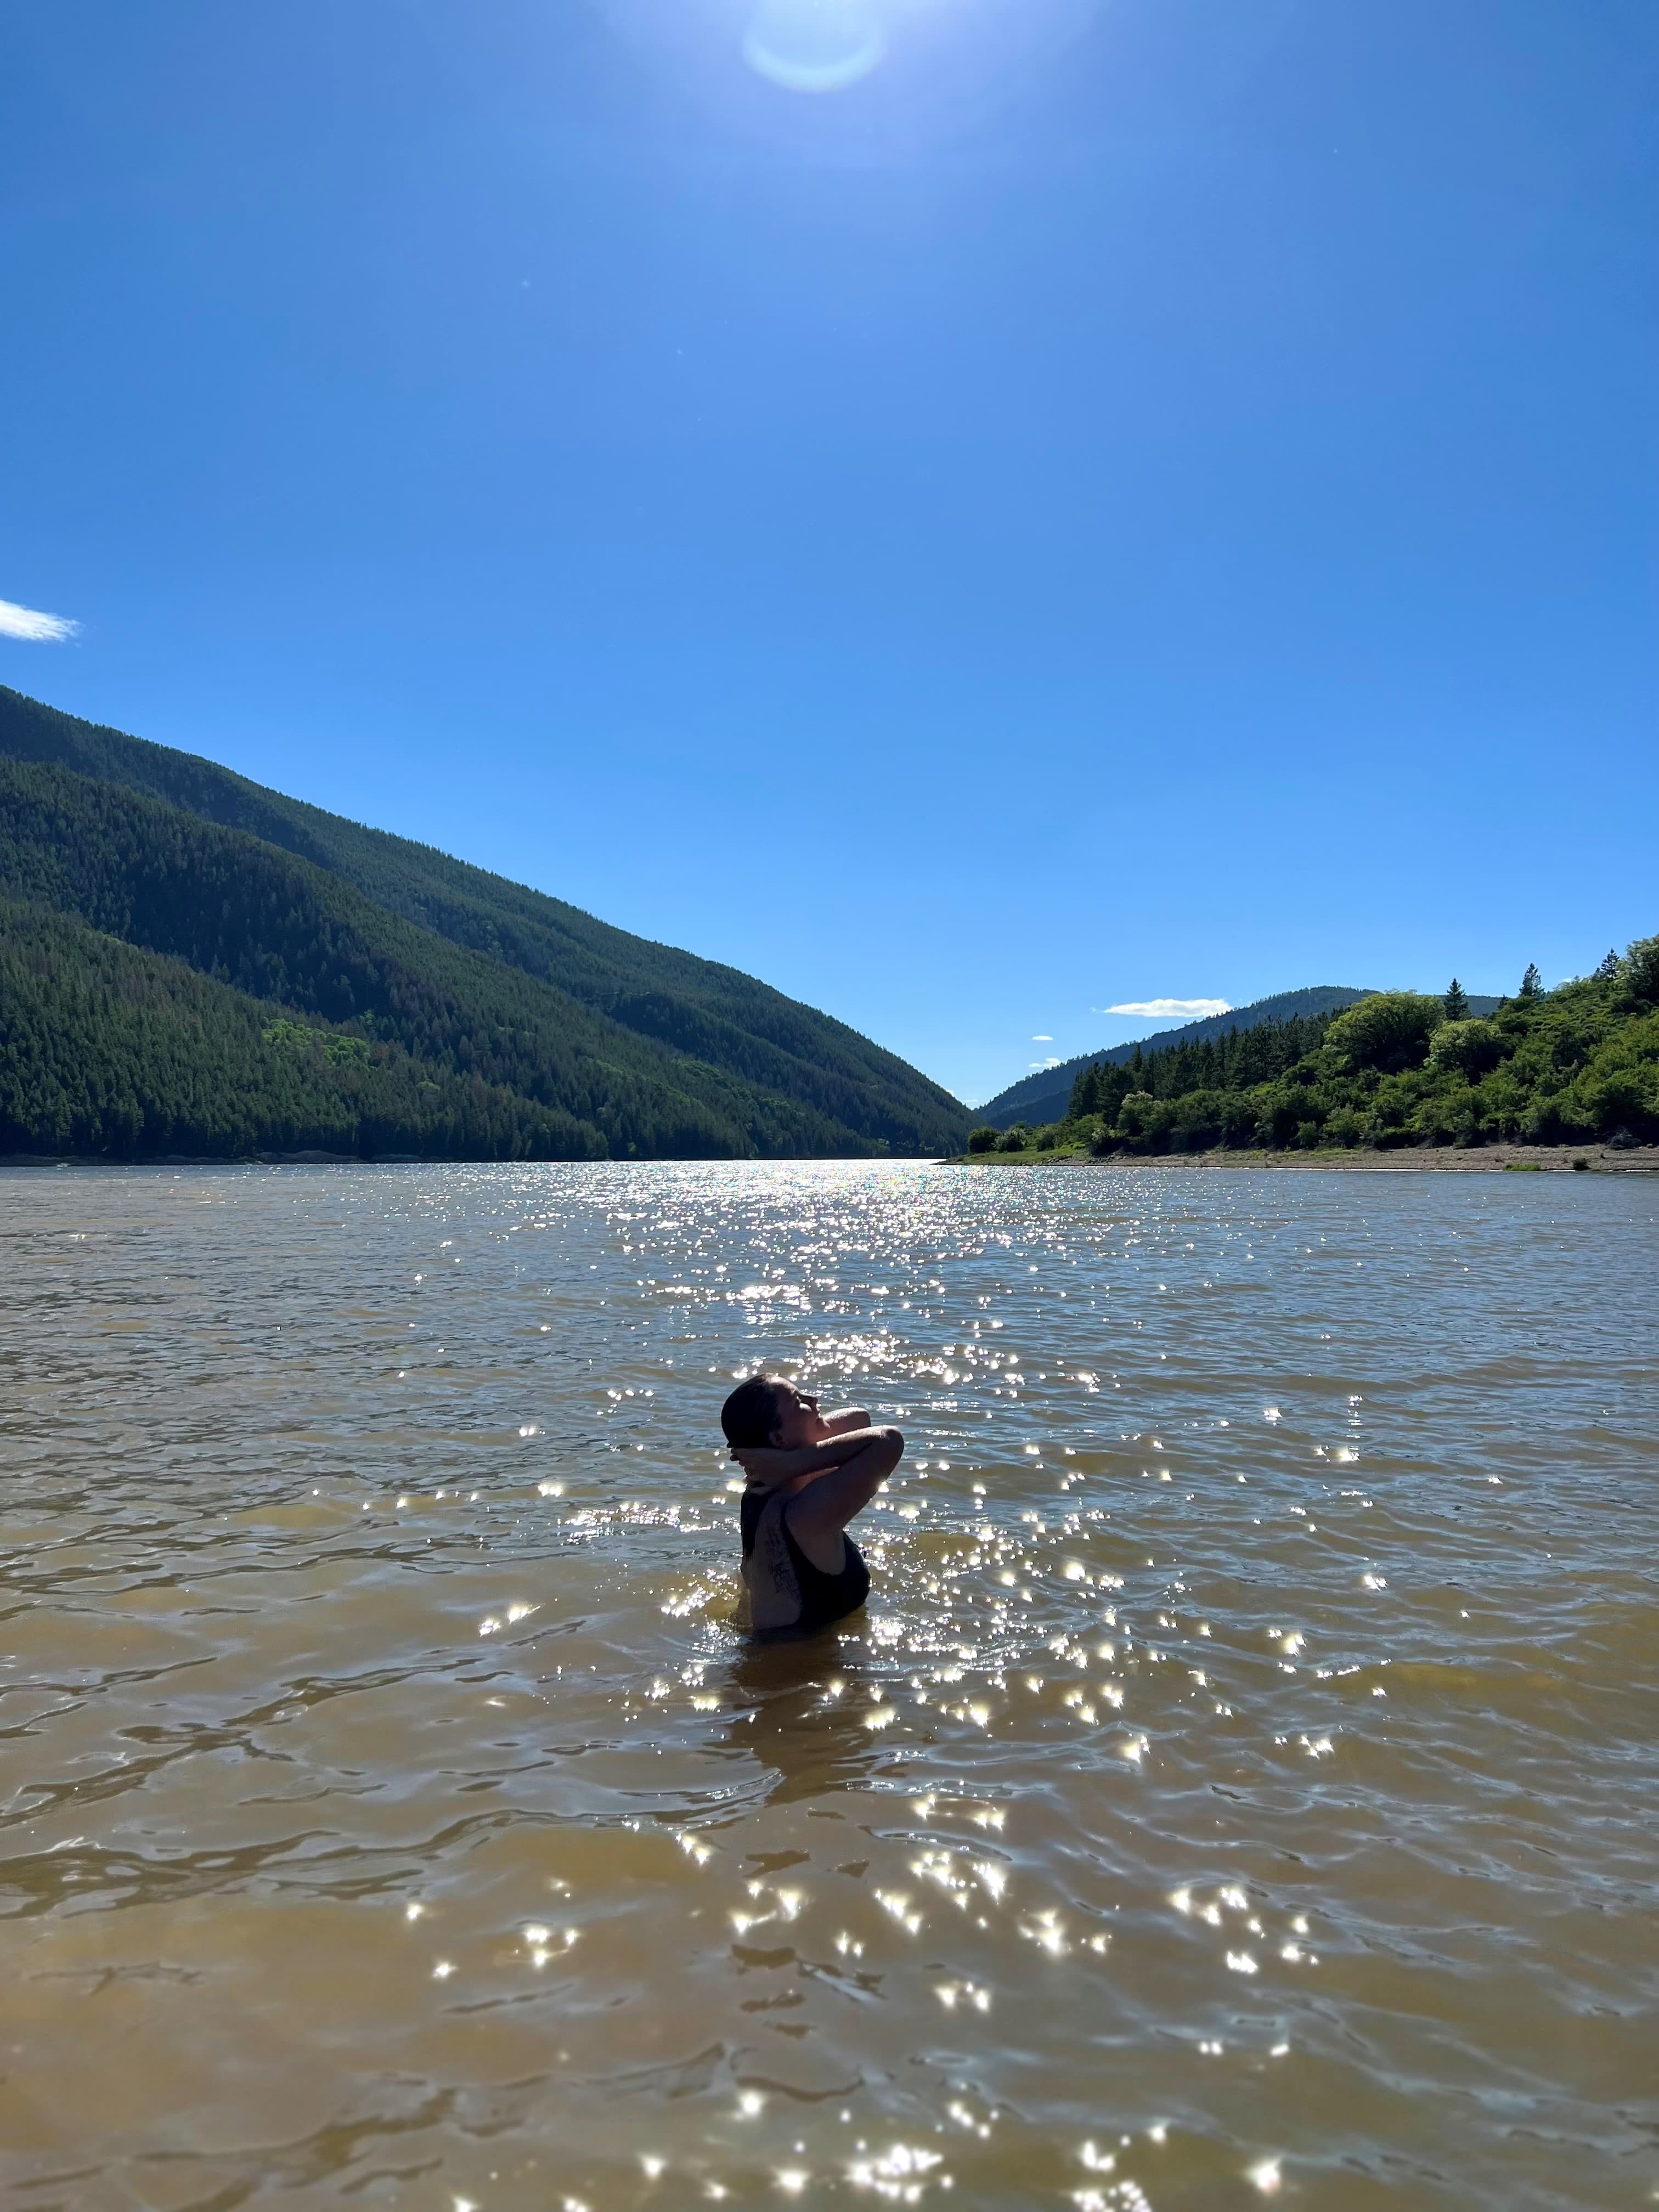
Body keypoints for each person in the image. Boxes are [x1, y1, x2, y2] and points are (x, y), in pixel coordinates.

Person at [721, 1374, 903, 1637]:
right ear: (779, 1439)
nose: (814, 1399)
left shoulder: (760, 1491)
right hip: (795, 1659)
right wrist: (797, 1462)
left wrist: (795, 1460)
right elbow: (888, 1441)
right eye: (798, 1401)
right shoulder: (801, 1515)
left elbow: (860, 1419)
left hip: (771, 1652)